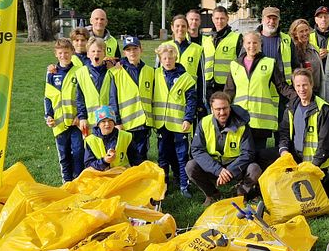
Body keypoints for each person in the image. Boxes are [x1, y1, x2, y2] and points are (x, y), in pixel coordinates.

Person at [186, 92, 261, 206]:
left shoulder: (242, 125)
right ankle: (213, 194)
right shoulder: (204, 123)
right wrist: (218, 170)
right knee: (190, 167)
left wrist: (230, 170)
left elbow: (248, 153)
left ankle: (240, 193)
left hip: (235, 167)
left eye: (225, 108)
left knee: (254, 169)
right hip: (213, 166)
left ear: (230, 107)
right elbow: (196, 150)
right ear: (212, 109)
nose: (222, 112)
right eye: (218, 109)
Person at [224, 31, 295, 151]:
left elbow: (282, 87)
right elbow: (229, 91)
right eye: (249, 43)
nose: (252, 46)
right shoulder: (234, 65)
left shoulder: (269, 63)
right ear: (244, 45)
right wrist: (221, 106)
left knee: (259, 155)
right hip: (240, 119)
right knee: (242, 154)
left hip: (260, 121)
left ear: (260, 44)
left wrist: (299, 96)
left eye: (255, 42)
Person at [278, 68, 329, 197]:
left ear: (311, 84)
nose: (301, 89)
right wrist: (283, 150)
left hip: (317, 166)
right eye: (298, 86)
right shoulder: (291, 106)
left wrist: (313, 165)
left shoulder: (323, 109)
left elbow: (326, 143)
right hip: (297, 162)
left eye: (305, 85)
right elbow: (284, 133)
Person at [153, 44, 197, 198]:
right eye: (164, 58)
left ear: (175, 58)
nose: (167, 61)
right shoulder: (155, 74)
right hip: (162, 123)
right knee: (162, 155)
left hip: (180, 124)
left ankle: (184, 185)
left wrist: (188, 118)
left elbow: (192, 101)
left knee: (182, 155)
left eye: (170, 58)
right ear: (160, 59)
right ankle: (163, 185)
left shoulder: (186, 77)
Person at [109, 36, 153, 166]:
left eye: (135, 49)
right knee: (126, 156)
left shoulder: (149, 71)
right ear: (124, 53)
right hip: (126, 124)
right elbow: (113, 99)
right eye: (128, 50)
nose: (132, 52)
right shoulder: (117, 72)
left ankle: (142, 182)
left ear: (141, 50)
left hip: (144, 123)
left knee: (142, 155)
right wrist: (117, 121)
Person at [44, 38, 84, 182]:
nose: (64, 56)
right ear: (56, 54)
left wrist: (80, 116)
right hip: (59, 123)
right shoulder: (51, 73)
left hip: (76, 122)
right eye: (60, 53)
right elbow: (48, 97)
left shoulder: (79, 72)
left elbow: (83, 96)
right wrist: (48, 115)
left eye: (66, 53)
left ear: (72, 52)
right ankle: (66, 183)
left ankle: (79, 181)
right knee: (64, 155)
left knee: (79, 152)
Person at [202, 6, 243, 99]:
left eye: (222, 18)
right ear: (212, 19)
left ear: (227, 19)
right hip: (208, 84)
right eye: (217, 18)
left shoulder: (236, 38)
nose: (219, 21)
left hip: (227, 85)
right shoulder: (206, 40)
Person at [75, 37, 113, 135]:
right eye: (93, 51)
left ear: (104, 53)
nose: (96, 54)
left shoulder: (111, 71)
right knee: (91, 149)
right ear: (88, 54)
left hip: (109, 122)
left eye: (99, 51)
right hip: (91, 122)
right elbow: (80, 98)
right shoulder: (81, 73)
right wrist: (82, 117)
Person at [83, 106, 137, 170]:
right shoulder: (90, 140)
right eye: (103, 121)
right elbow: (88, 165)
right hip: (100, 175)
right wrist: (104, 161)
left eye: (110, 120)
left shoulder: (126, 136)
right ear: (98, 124)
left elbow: (136, 159)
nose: (107, 124)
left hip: (122, 173)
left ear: (114, 123)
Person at [289, 19, 323, 94]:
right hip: (300, 93)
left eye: (306, 30)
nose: (305, 33)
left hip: (316, 92)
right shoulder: (291, 50)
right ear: (295, 34)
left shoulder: (314, 48)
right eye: (301, 31)